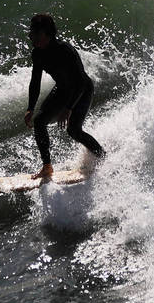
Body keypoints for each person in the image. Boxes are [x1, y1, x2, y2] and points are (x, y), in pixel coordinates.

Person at [23, 13, 106, 179]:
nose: (32, 37)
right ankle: (47, 167)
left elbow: (81, 81)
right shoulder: (37, 53)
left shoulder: (65, 50)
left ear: (47, 33)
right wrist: (30, 108)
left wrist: (68, 108)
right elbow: (35, 82)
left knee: (74, 130)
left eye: (35, 34)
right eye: (31, 33)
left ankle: (103, 158)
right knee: (39, 121)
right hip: (62, 89)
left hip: (81, 90)